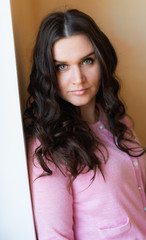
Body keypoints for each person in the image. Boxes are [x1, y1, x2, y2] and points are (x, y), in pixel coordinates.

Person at [24, 9, 146, 240]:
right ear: (47, 73)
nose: (78, 78)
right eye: (62, 66)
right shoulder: (49, 148)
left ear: (102, 61)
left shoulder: (118, 121)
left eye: (87, 61)